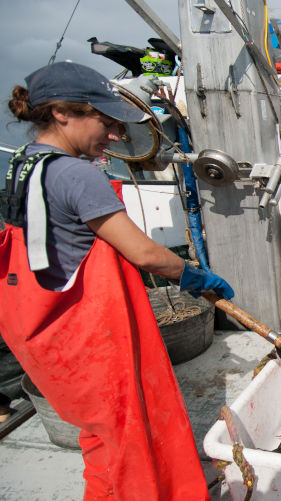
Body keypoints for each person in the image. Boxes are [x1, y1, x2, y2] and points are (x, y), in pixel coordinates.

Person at [0, 61, 234, 500]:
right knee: (135, 443)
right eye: (105, 122)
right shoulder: (78, 174)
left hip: (40, 337)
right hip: (86, 342)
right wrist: (193, 275)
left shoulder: (23, 164)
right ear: (62, 113)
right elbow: (143, 252)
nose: (113, 136)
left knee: (99, 436)